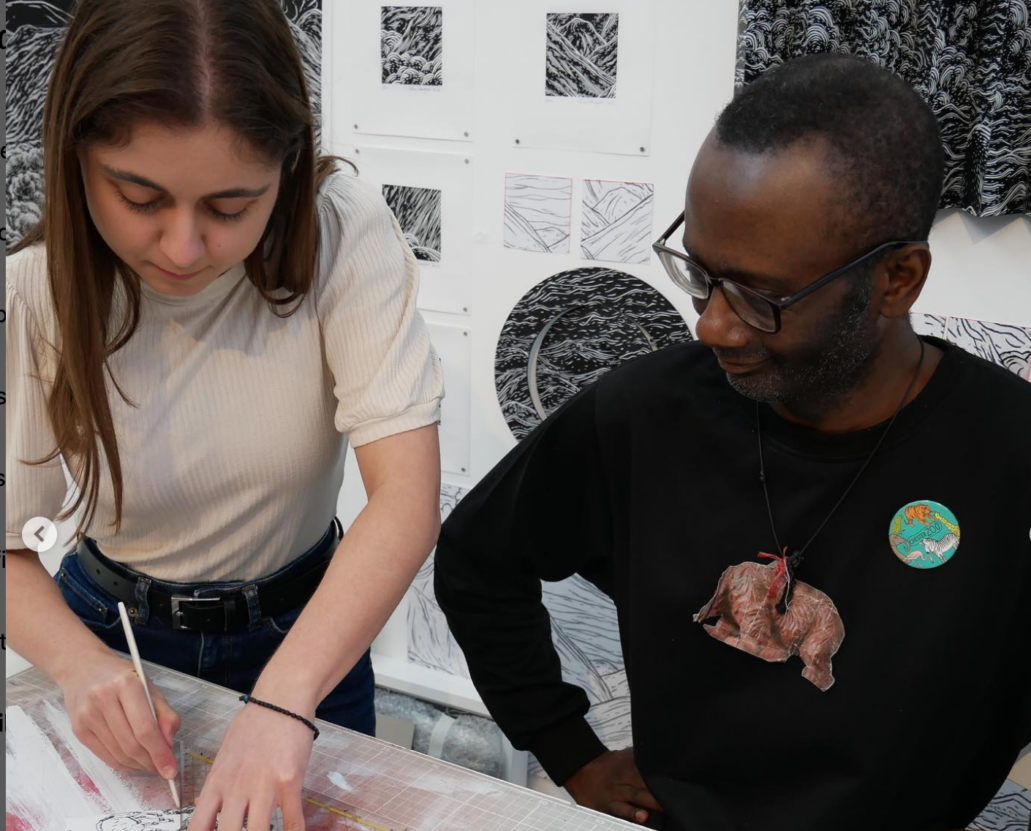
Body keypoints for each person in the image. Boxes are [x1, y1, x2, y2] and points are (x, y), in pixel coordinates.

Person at [433, 53, 1031, 831]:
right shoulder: (646, 413)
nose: (711, 323)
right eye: (700, 273)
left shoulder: (1007, 450)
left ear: (895, 279)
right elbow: (480, 559)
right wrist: (565, 745)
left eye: (758, 296)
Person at [5, 2, 444, 830]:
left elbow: (403, 494)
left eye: (231, 207)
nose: (182, 248)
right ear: (75, 162)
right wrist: (76, 664)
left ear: (285, 170)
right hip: (117, 639)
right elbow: (8, 543)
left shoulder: (337, 227)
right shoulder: (33, 288)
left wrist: (283, 702)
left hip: (306, 636)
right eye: (140, 197)